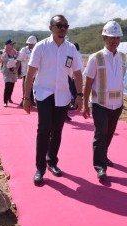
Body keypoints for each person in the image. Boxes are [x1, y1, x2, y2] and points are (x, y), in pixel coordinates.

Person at [23, 14, 83, 185]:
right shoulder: (41, 47)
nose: (63, 28)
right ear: (51, 27)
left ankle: (52, 161)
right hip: (44, 94)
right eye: (59, 25)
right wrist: (26, 98)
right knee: (44, 129)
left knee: (57, 131)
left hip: (63, 96)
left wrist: (79, 96)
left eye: (65, 25)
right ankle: (40, 167)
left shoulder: (71, 49)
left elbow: (77, 74)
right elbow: (31, 73)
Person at [82, 21, 127, 180]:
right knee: (100, 134)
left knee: (109, 133)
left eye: (117, 38)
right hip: (100, 104)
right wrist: (84, 104)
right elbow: (88, 82)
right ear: (104, 38)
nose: (114, 41)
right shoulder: (96, 57)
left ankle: (104, 155)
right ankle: (100, 166)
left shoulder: (122, 57)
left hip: (117, 105)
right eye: (111, 38)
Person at [0, 39, 19, 107]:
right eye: (11, 44)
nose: (12, 46)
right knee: (7, 85)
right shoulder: (4, 53)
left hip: (13, 71)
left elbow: (18, 60)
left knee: (12, 86)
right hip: (6, 72)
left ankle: (9, 97)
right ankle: (5, 101)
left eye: (13, 44)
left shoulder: (14, 52)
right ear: (7, 45)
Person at [17, 35, 37, 107]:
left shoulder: (36, 49)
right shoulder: (23, 50)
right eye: (29, 44)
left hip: (35, 73)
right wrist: (17, 71)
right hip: (25, 72)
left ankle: (32, 101)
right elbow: (19, 60)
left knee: (33, 87)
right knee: (26, 86)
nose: (30, 45)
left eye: (32, 44)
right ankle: (24, 101)